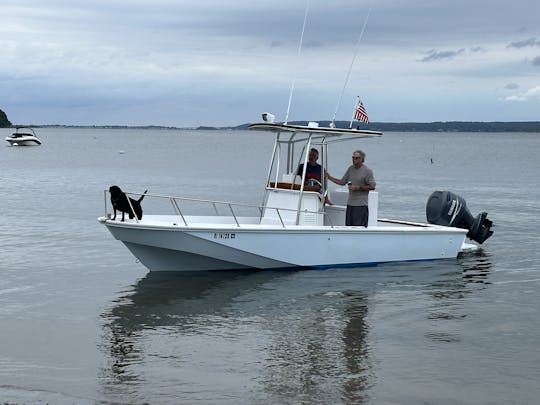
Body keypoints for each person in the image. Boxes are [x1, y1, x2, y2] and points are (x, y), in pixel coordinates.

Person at [326, 149, 375, 226]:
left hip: (361, 206)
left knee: (359, 229)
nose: (354, 160)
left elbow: (372, 186)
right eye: (353, 157)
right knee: (348, 227)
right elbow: (342, 182)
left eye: (356, 158)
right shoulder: (350, 169)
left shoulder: (367, 171)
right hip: (350, 205)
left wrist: (358, 187)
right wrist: (329, 177)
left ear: (362, 159)